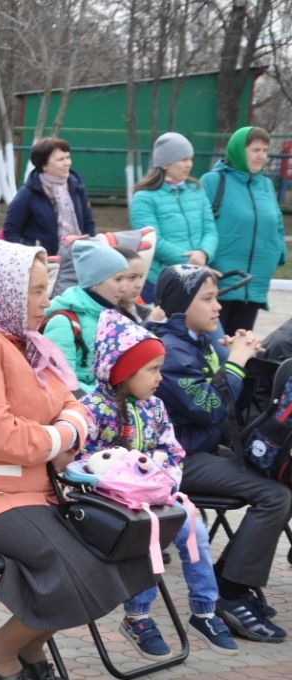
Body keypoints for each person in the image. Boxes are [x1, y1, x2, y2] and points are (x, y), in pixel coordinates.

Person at [0, 239, 154, 680]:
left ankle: (31, 651)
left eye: (46, 288)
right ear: (1, 289)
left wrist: (64, 427)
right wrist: (62, 433)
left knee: (119, 546)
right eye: (36, 290)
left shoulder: (26, 341)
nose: (47, 300)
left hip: (26, 490)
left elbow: (76, 404)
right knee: (78, 564)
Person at [81, 309, 238, 658]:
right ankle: (137, 617)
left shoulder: (155, 408)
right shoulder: (93, 409)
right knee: (150, 532)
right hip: (111, 503)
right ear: (123, 372)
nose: (159, 377)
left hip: (155, 494)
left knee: (193, 525)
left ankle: (205, 610)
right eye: (151, 369)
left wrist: (160, 474)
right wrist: (114, 474)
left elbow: (171, 449)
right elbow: (80, 460)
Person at [148, 264, 291, 643]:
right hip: (175, 462)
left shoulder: (197, 339)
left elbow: (226, 401)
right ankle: (230, 591)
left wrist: (238, 357)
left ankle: (235, 580)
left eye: (216, 298)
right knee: (275, 494)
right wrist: (235, 362)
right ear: (181, 307)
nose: (218, 308)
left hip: (204, 448)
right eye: (208, 299)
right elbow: (211, 407)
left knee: (279, 475)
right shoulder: (172, 350)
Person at [200, 127, 286, 332]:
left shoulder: (265, 184)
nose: (261, 156)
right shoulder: (213, 181)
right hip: (222, 279)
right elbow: (202, 223)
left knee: (240, 345)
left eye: (265, 150)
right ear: (239, 150)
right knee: (214, 346)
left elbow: (277, 222)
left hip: (256, 280)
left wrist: (279, 252)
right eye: (256, 150)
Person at [129, 133, 217, 303]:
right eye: (183, 159)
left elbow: (210, 229)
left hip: (197, 279)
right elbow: (153, 241)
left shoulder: (196, 190)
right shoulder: (144, 198)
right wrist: (191, 260)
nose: (189, 164)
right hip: (161, 282)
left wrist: (204, 253)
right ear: (165, 163)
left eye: (190, 159)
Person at [41, 240, 130, 393]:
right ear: (95, 281)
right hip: (81, 407)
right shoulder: (63, 322)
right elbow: (61, 379)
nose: (125, 287)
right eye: (118, 279)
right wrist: (105, 402)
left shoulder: (113, 316)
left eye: (127, 279)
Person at [3, 137, 96, 257]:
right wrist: (26, 258)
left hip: (79, 256)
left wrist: (91, 247)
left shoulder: (77, 187)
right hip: (44, 261)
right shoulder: (28, 193)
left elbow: (88, 222)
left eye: (68, 157)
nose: (67, 163)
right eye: (60, 159)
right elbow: (11, 230)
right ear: (44, 165)